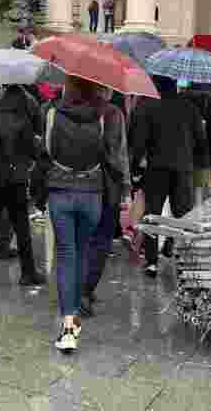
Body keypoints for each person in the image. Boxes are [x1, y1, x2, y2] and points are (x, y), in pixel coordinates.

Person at [35, 75, 125, 353]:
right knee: (84, 252)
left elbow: (45, 151)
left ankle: (69, 323)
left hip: (60, 191)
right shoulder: (105, 115)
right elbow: (113, 158)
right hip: (92, 194)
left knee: (66, 256)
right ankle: (77, 309)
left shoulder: (51, 113)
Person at [0, 85, 46, 288]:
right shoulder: (23, 122)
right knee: (22, 229)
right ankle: (27, 273)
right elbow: (33, 152)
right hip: (15, 182)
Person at [129, 75, 205, 278]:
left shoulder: (147, 106)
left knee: (152, 213)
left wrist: (135, 167)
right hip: (183, 169)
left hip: (156, 168)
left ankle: (152, 261)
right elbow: (200, 139)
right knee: (182, 215)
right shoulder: (190, 107)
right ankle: (180, 255)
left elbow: (139, 142)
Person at [81, 90, 128, 316]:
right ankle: (85, 291)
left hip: (76, 182)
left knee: (79, 240)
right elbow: (119, 153)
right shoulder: (113, 113)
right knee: (100, 241)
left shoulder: (69, 108)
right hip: (106, 185)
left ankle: (77, 289)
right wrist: (126, 185)